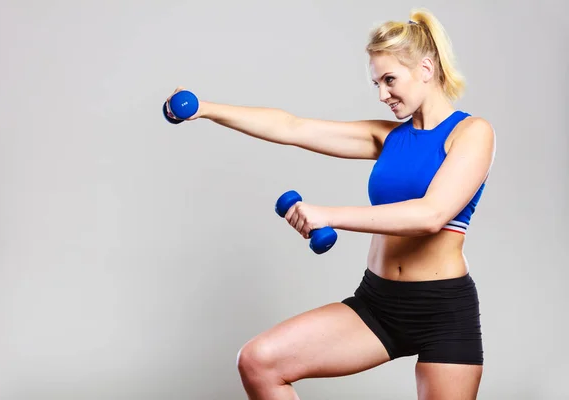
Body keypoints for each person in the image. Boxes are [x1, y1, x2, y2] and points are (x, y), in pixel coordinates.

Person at [168, 7, 496, 400]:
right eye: (376, 83)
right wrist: (205, 109)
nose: (382, 94)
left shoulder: (472, 133)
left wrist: (329, 215)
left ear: (426, 69)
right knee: (258, 361)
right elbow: (292, 127)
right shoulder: (387, 137)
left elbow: (432, 215)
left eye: (390, 79)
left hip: (443, 310)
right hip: (378, 304)